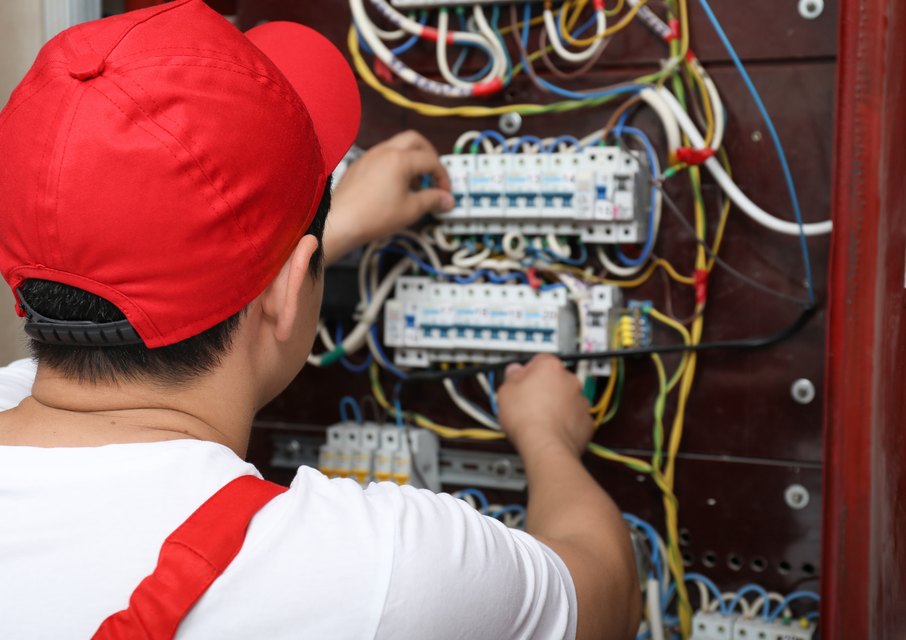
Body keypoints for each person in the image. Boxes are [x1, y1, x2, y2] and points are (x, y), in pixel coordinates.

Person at [0, 2, 640, 639]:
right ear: (292, 284)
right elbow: (610, 592)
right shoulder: (378, 575)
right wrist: (547, 436)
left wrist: (307, 247)